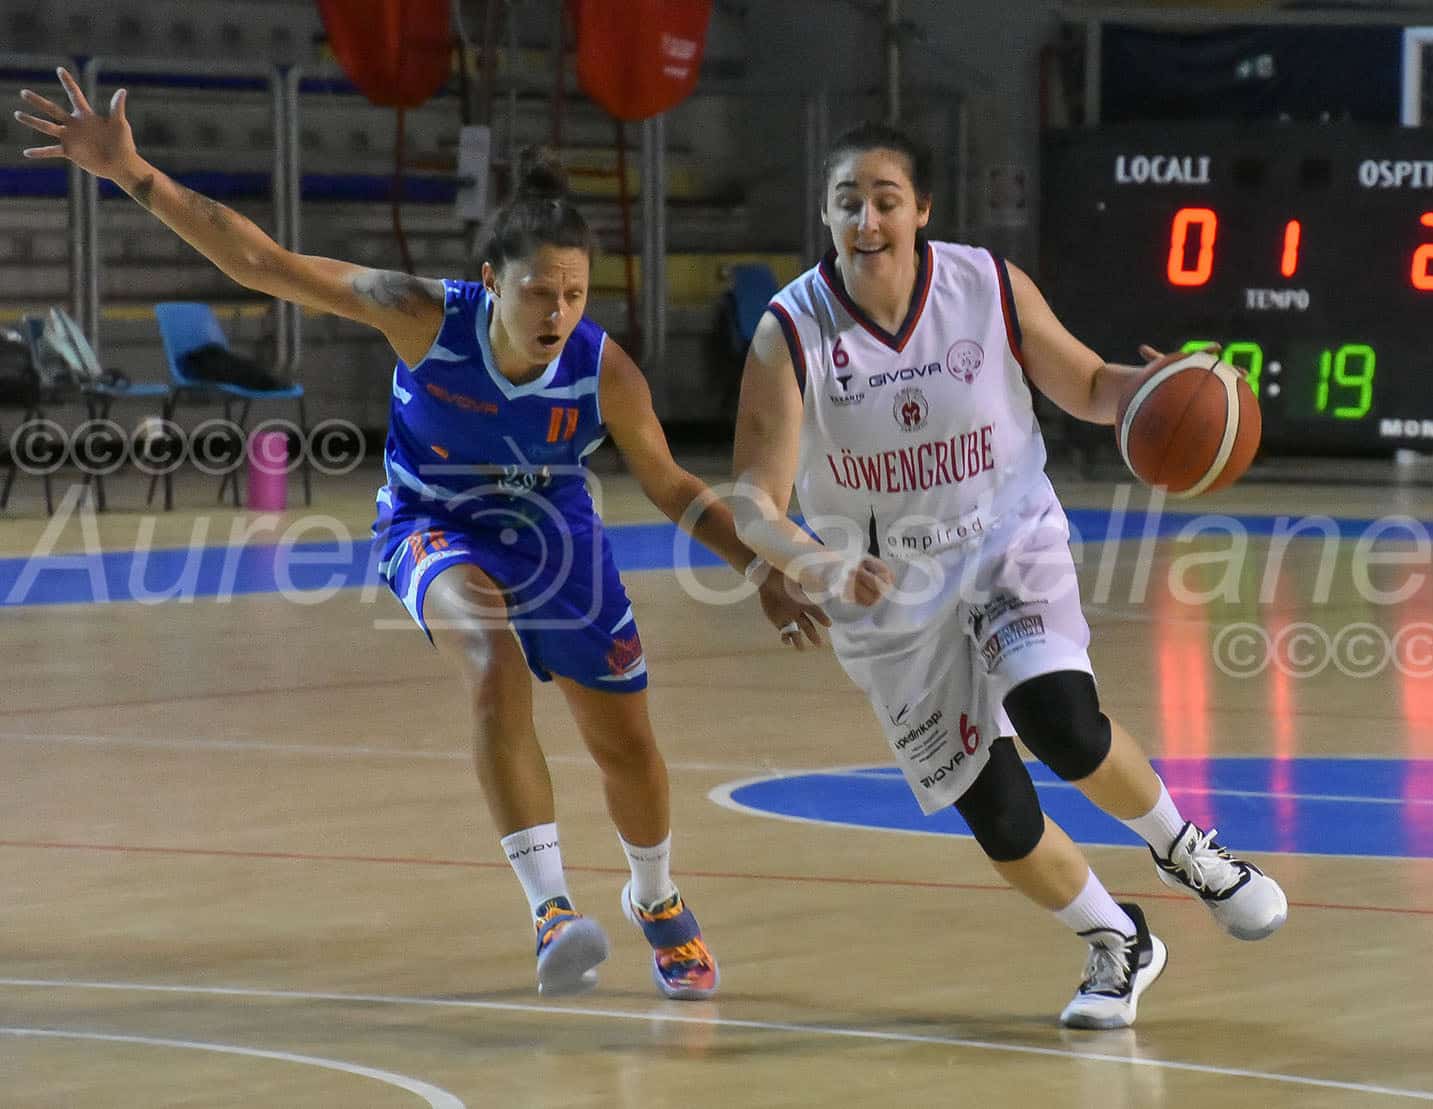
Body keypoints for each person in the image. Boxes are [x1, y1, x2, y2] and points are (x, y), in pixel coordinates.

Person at [16, 68, 828, 1000]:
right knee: (490, 654)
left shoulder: (605, 372)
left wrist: (764, 568)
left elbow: (675, 486)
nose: (558, 312)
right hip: (429, 522)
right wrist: (135, 175)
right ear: (491, 284)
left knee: (628, 747)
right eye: (538, 292)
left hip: (555, 535)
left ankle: (655, 894)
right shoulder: (421, 315)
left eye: (574, 293)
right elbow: (265, 264)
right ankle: (552, 910)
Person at [730, 122, 1288, 1030]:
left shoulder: (986, 286)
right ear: (826, 215)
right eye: (847, 203)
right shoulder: (791, 330)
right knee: (998, 811)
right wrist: (813, 559)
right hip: (889, 591)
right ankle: (1119, 939)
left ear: (922, 210)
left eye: (885, 200)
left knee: (1057, 717)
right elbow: (754, 497)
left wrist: (1150, 391)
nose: (866, 220)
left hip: (1004, 543)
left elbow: (1091, 384)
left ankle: (1187, 849)